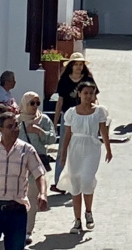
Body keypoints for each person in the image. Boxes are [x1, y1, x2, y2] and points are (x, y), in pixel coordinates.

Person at [0, 111, 49, 250]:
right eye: (10, 126)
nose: (15, 129)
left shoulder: (27, 150)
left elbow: (39, 174)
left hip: (16, 211)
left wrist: (43, 194)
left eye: (16, 125)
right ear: (0, 129)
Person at [59, 80, 112, 235]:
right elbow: (67, 135)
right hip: (75, 148)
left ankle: (88, 211)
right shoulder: (71, 112)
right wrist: (63, 155)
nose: (88, 96)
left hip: (91, 147)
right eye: (85, 93)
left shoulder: (99, 112)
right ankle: (77, 220)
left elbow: (103, 131)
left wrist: (108, 149)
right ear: (79, 94)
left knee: (87, 179)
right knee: (75, 182)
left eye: (91, 93)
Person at [17, 92, 56, 240]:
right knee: (18, 197)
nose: (34, 107)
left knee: (32, 197)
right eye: (31, 103)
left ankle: (28, 230)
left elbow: (52, 138)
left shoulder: (43, 119)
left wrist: (40, 131)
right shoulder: (17, 121)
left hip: (36, 164)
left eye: (37, 103)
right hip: (18, 164)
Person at [51, 54, 92, 192]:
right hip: (68, 118)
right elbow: (60, 101)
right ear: (71, 66)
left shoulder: (87, 80)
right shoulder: (64, 80)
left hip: (84, 117)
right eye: (76, 64)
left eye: (81, 65)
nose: (79, 67)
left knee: (80, 150)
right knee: (63, 148)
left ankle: (78, 182)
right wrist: (56, 121)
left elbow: (94, 99)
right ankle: (58, 183)